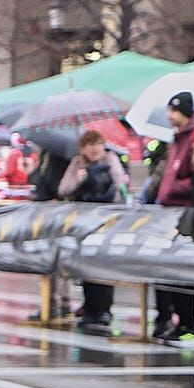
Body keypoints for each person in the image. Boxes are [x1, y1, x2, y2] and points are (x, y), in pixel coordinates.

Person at [149, 91, 194, 342]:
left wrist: (174, 187)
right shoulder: (176, 139)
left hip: (185, 211)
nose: (169, 116)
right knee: (167, 270)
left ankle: (188, 322)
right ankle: (176, 319)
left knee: (181, 272)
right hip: (169, 210)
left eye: (172, 111)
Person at [58, 128, 128, 334]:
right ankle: (90, 307)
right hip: (83, 223)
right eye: (90, 144)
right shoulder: (77, 164)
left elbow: (121, 187)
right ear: (82, 147)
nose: (95, 149)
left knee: (104, 267)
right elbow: (63, 189)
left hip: (106, 222)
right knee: (86, 268)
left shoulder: (111, 160)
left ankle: (105, 309)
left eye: (98, 143)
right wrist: (78, 180)